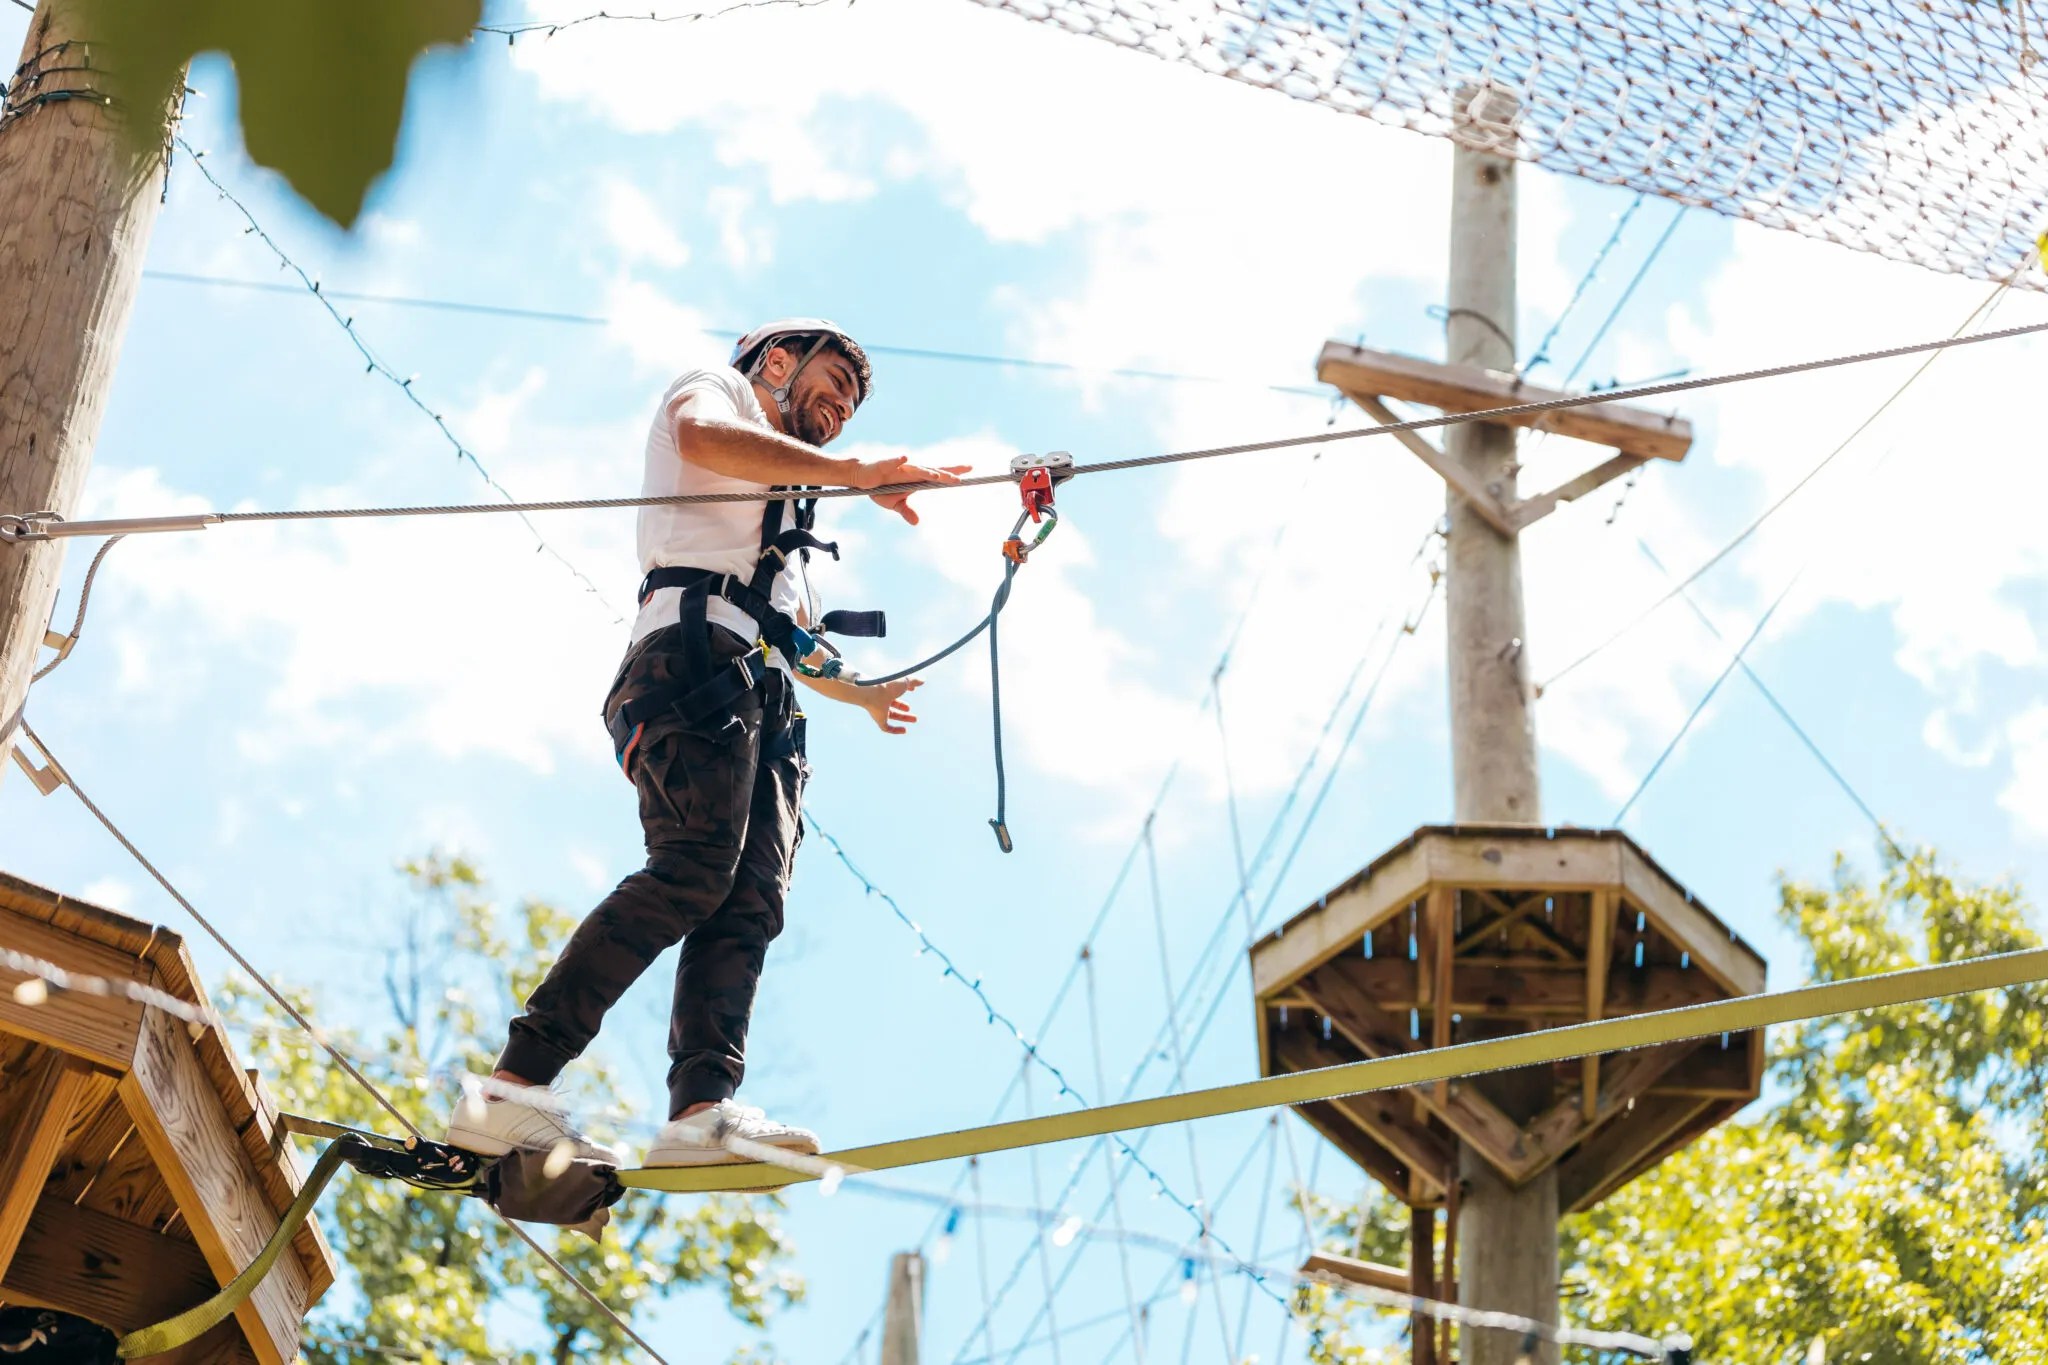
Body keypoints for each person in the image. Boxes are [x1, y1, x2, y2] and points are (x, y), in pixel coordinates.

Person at [449, 319, 964, 1167]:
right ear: (776, 362)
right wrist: (854, 474)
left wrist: (859, 692)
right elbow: (701, 439)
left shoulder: (791, 510)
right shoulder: (715, 394)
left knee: (750, 900)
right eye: (833, 382)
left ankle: (701, 1114)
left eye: (853, 406)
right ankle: (512, 1088)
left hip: (757, 694)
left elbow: (790, 634)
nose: (841, 407)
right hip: (690, 665)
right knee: (692, 869)